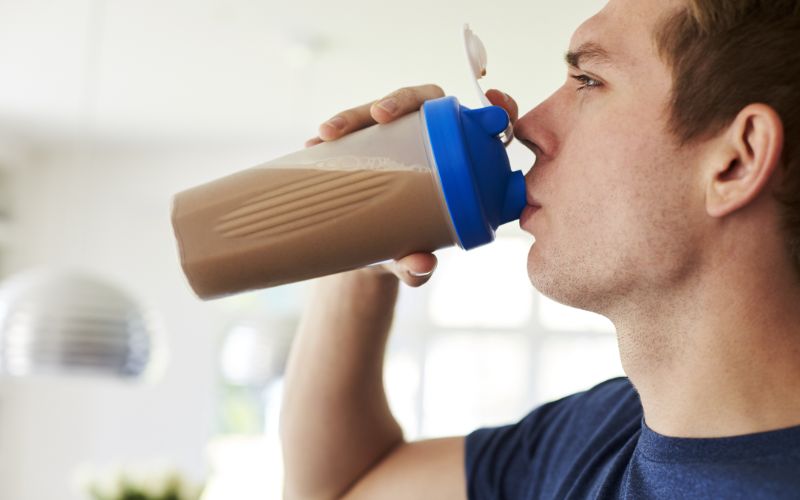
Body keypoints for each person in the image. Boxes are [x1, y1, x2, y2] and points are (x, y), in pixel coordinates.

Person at [280, 0, 800, 498]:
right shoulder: (598, 433)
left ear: (737, 161)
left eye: (590, 81)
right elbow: (340, 489)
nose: (525, 126)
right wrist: (365, 244)